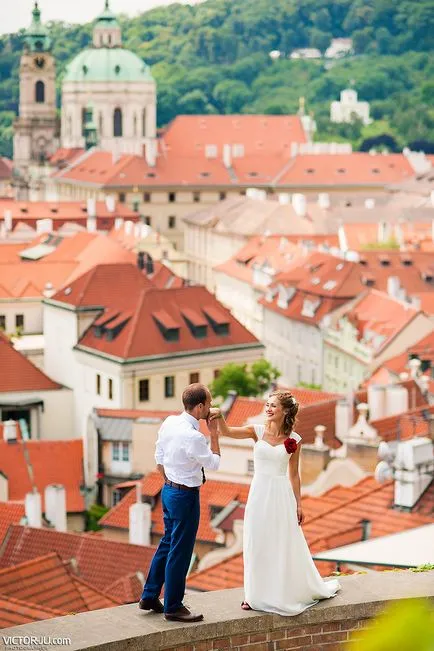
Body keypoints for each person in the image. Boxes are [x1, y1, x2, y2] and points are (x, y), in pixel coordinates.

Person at [209, 390, 340, 616]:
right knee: (256, 541)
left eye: (273, 406)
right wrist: (219, 415)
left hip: (281, 496)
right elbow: (227, 432)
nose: (268, 409)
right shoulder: (256, 432)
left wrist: (299, 504)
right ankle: (253, 596)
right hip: (259, 494)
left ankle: (281, 592)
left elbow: (295, 475)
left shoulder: (294, 440)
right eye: (267, 404)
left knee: (280, 542)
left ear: (285, 411)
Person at [139, 383, 221, 622]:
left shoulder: (170, 422)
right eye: (209, 403)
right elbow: (214, 463)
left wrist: (170, 481)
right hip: (185, 496)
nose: (211, 406)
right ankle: (173, 605)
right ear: (200, 407)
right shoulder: (194, 436)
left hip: (168, 490)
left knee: (167, 543)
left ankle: (150, 595)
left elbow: (159, 458)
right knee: (181, 551)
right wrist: (214, 432)